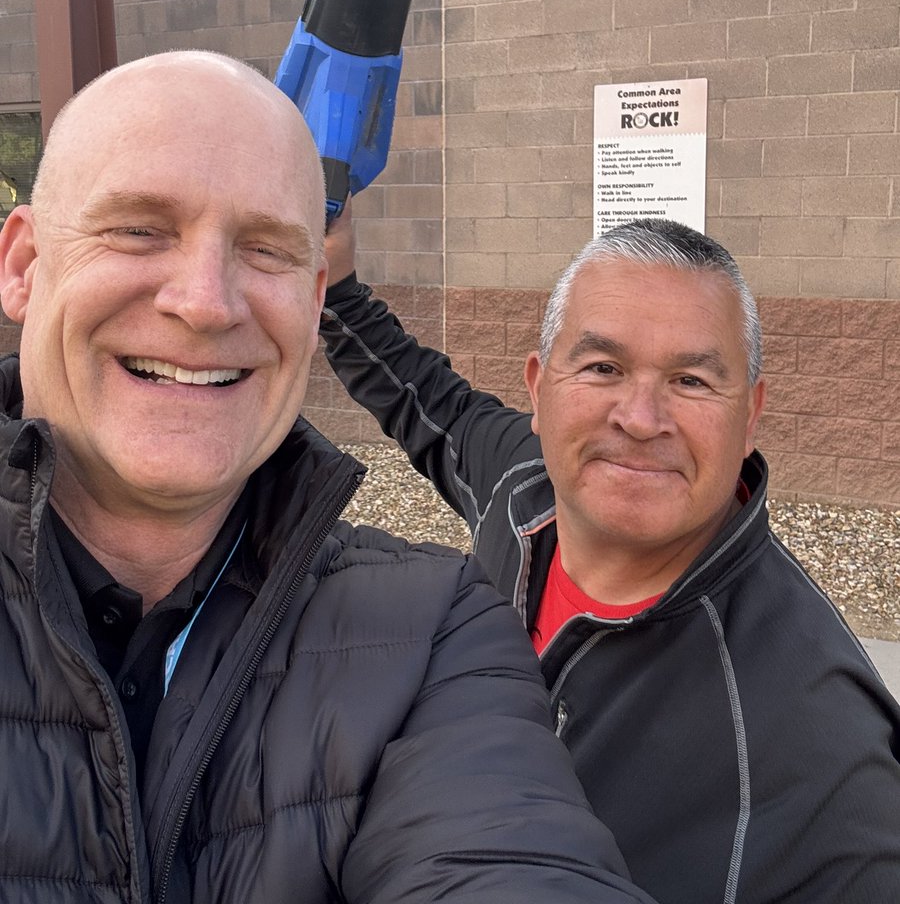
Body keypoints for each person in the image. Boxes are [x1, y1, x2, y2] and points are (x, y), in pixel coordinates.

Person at [0, 51, 661, 904]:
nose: (206, 301)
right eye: (139, 229)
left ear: (314, 303)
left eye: (266, 248)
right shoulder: (505, 472)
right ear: (22, 264)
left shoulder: (433, 630)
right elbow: (430, 400)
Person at [321, 205, 900, 904]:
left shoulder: (820, 749)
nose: (640, 418)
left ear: (750, 415)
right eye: (602, 367)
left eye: (691, 381)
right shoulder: (523, 483)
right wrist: (337, 281)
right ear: (539, 390)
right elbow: (420, 396)